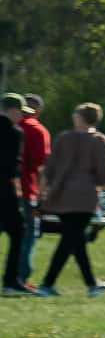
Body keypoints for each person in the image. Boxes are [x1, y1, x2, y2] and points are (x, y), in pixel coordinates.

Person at [37, 102, 105, 295]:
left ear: (80, 118)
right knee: (72, 239)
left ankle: (88, 284)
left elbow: (49, 168)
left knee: (73, 239)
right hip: (85, 197)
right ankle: (50, 284)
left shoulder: (64, 139)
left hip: (61, 195)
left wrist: (42, 192)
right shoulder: (100, 141)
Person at [0, 93, 44, 294]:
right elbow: (12, 167)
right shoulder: (15, 133)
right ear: (12, 111)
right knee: (18, 231)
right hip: (4, 189)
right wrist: (17, 192)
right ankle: (11, 280)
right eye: (21, 112)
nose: (22, 117)